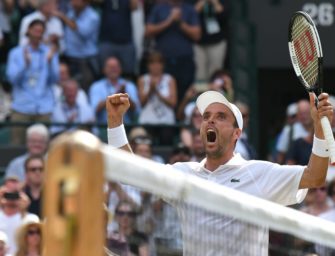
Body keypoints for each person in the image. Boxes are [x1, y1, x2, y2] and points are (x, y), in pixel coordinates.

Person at [106, 90, 333, 255]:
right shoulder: (183, 174)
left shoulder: (259, 172)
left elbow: (315, 177)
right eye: (206, 116)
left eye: (221, 116)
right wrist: (115, 122)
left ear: (237, 133)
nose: (210, 120)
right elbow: (129, 172)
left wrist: (320, 128)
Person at [6, 19, 59, 145]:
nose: (38, 34)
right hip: (22, 107)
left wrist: (51, 62)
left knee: (43, 147)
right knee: (16, 146)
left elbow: (55, 80)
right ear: (28, 31)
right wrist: (25, 65)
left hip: (43, 108)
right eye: (35, 30)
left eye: (41, 31)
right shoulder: (16, 53)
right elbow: (12, 79)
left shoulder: (50, 52)